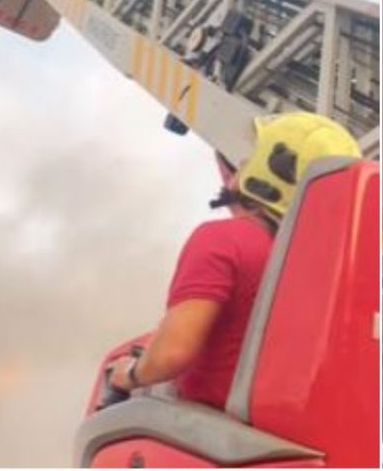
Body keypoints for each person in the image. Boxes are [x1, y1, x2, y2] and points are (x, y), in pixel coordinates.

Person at [107, 112, 361, 410]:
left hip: (211, 420)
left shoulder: (222, 240)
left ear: (266, 178)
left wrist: (130, 374)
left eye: (252, 156)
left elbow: (173, 354)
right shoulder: (328, 263)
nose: (242, 163)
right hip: (282, 415)